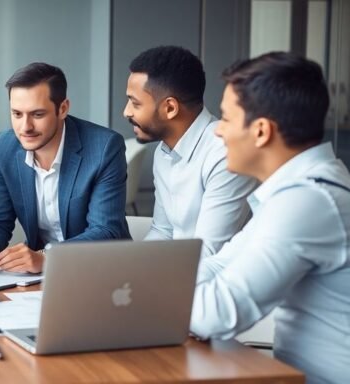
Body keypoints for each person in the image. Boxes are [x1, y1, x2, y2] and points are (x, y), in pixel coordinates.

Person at [190, 52, 350, 384]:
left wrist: (142, 299)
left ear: (261, 131)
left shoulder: (308, 200)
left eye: (226, 119)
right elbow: (220, 265)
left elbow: (219, 312)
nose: (218, 132)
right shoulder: (299, 189)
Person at [0, 62, 130, 274]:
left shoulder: (104, 148)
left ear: (62, 109)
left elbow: (105, 230)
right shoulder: (4, 146)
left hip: (100, 272)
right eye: (17, 114)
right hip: (38, 279)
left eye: (37, 114)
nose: (25, 127)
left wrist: (47, 257)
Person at [123, 46, 257, 257]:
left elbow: (208, 252)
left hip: (213, 281)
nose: (126, 111)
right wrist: (132, 270)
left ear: (170, 108)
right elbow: (163, 231)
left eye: (135, 103)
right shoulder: (163, 152)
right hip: (179, 274)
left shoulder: (224, 154)